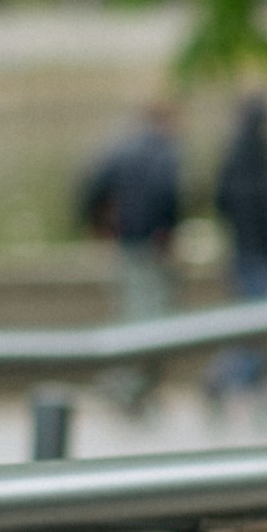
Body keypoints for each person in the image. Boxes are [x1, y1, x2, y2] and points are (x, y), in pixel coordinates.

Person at [77, 99, 185, 413]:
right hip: (153, 245)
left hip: (126, 241)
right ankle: (136, 387)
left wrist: (98, 226)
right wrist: (168, 237)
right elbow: (170, 197)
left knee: (131, 313)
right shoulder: (166, 152)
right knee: (153, 317)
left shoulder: (120, 149)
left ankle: (126, 384)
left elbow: (92, 188)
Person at [206, 88, 267, 423]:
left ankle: (257, 396)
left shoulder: (233, 157)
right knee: (260, 329)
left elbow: (220, 202)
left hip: (241, 253)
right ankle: (225, 381)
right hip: (264, 257)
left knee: (252, 327)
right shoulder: (266, 160)